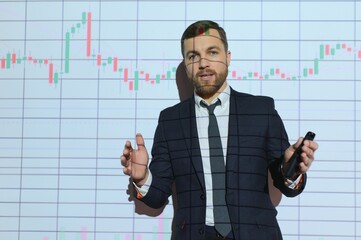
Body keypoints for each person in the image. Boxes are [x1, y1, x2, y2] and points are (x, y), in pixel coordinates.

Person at [121, 20, 318, 240]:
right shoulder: (170, 121)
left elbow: (287, 186)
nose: (203, 63)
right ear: (186, 64)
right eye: (193, 56)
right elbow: (157, 197)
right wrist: (142, 178)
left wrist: (291, 168)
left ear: (228, 57)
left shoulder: (261, 111)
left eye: (212, 52)